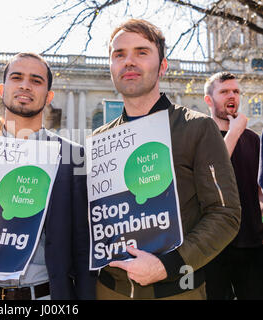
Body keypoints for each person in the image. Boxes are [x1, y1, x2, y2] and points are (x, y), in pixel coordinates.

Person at [93, 19, 241, 300]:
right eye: (119, 54)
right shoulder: (100, 138)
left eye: (142, 52)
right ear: (111, 67)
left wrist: (167, 265)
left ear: (162, 66)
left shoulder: (197, 127)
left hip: (176, 290)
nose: (129, 62)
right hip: (108, 289)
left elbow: (226, 214)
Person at [0, 52, 97, 300]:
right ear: (2, 89)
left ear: (48, 95)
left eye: (36, 80)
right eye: (17, 77)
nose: (25, 85)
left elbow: (83, 245)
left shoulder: (72, 155)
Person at [204, 71, 263, 299]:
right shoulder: (200, 136)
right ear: (209, 100)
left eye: (236, 91)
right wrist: (235, 131)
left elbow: (258, 189)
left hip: (252, 243)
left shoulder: (253, 139)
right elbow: (212, 174)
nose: (232, 96)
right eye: (224, 91)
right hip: (214, 247)